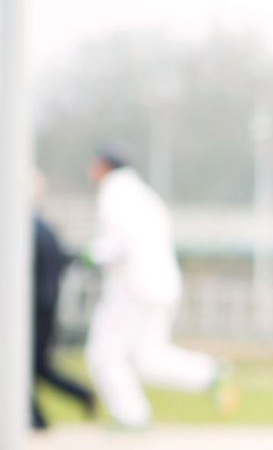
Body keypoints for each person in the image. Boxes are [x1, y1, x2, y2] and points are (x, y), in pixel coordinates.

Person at [83, 144, 234, 429]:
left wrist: (91, 254)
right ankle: (208, 373)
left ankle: (131, 416)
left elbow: (117, 242)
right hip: (162, 284)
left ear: (104, 166)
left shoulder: (115, 193)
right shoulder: (144, 194)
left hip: (131, 289)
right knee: (148, 356)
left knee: (103, 354)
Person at [31, 212, 96, 429]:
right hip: (47, 305)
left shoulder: (26, 229)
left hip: (34, 309)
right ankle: (37, 418)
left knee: (26, 365)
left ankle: (35, 419)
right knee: (36, 365)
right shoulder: (45, 227)